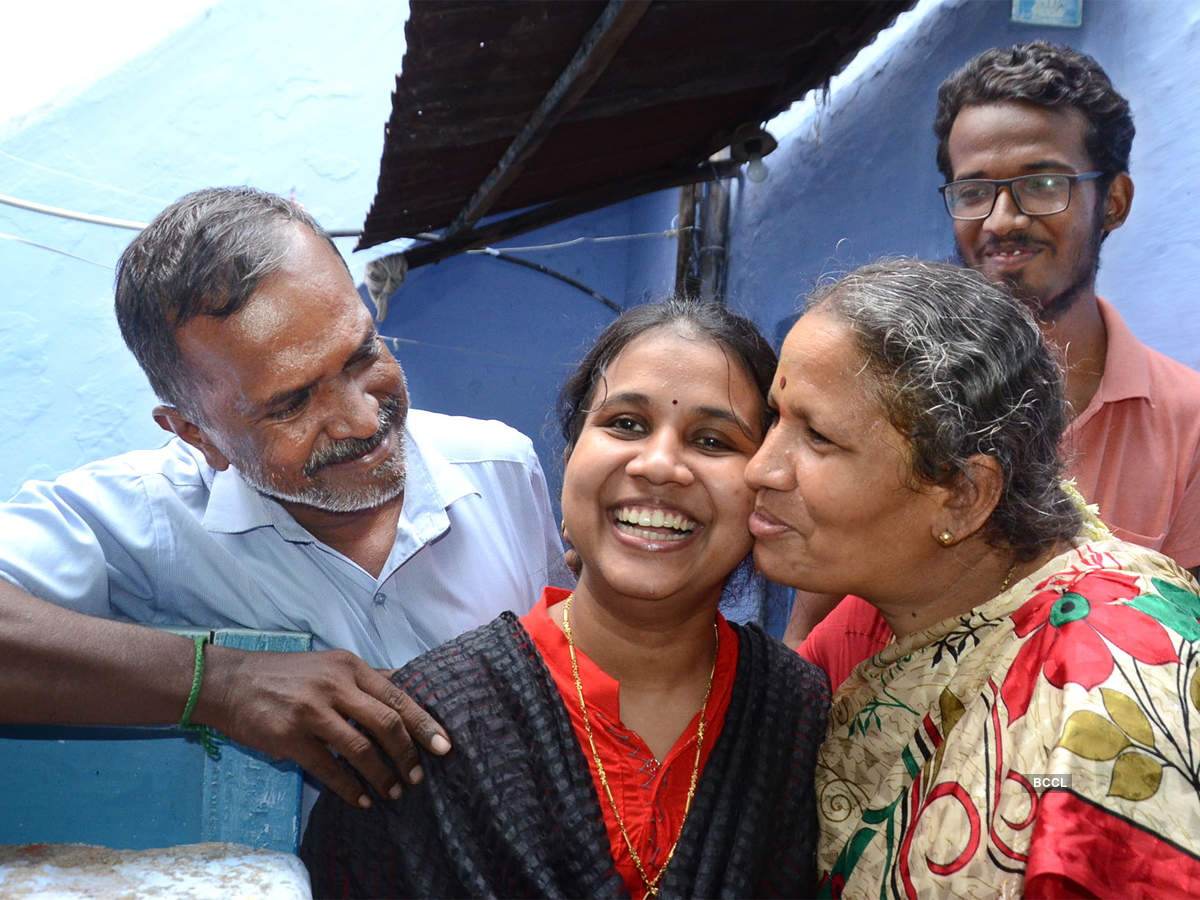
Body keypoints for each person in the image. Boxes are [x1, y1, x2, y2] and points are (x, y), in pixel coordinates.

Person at [0, 186, 571, 807]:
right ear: (196, 434)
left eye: (363, 355)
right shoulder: (145, 521)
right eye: (292, 403)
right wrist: (220, 684)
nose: (359, 419)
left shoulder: (502, 467)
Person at [300, 298, 830, 898]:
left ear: (765, 484)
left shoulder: (804, 720)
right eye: (625, 423)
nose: (659, 466)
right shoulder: (427, 727)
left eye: (712, 440)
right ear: (571, 452)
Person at [746, 258, 1200, 897]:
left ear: (963, 494)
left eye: (817, 436)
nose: (760, 470)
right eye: (775, 417)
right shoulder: (870, 626)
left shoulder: (1117, 669)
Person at [792, 41, 1200, 688]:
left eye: (1043, 185)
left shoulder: (1189, 427)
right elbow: (808, 648)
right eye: (975, 190)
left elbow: (1182, 669)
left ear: (1115, 202)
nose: (1002, 221)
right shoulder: (883, 398)